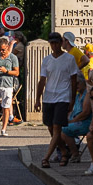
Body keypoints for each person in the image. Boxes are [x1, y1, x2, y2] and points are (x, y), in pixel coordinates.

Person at [35, 31, 81, 168]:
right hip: (49, 97)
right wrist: (37, 99)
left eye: (56, 43)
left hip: (63, 96)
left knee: (57, 127)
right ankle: (63, 151)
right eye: (52, 43)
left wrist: (72, 100)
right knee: (50, 127)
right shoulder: (46, 60)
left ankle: (46, 158)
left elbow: (74, 80)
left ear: (61, 43)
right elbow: (42, 80)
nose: (54, 45)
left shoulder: (69, 59)